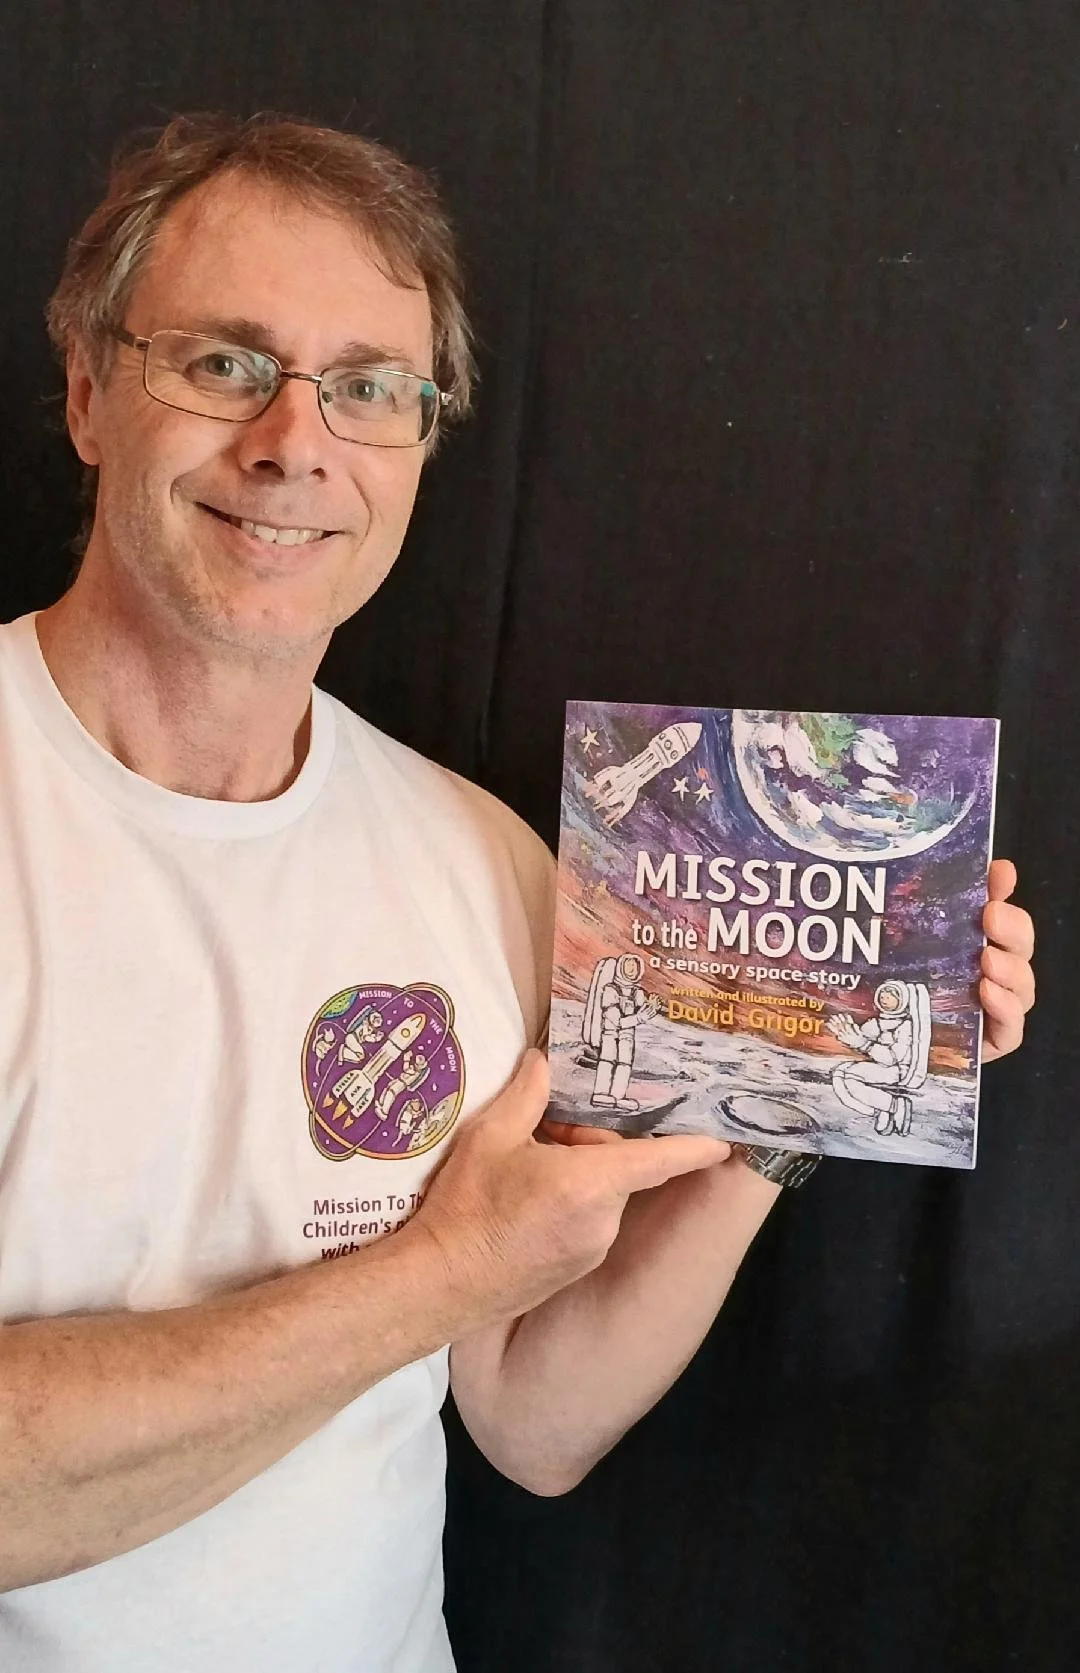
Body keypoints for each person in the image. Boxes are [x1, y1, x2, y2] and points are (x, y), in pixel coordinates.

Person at [0, 114, 1036, 1673]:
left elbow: (533, 1421)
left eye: (370, 388)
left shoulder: (478, 862)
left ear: (420, 444)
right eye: (224, 363)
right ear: (89, 391)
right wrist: (430, 1278)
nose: (295, 442)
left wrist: (805, 1072)